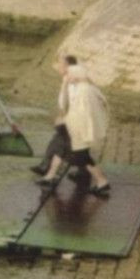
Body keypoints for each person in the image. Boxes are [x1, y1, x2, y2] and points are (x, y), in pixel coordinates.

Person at [38, 61, 111, 197]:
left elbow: (81, 113)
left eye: (69, 74)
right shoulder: (81, 87)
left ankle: (102, 181)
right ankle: (50, 176)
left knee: (82, 156)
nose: (67, 75)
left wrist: (64, 121)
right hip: (75, 128)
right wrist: (65, 84)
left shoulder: (84, 91)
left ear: (77, 76)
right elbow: (65, 103)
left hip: (78, 130)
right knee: (64, 148)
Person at [33, 55, 80, 178]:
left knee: (60, 141)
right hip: (72, 118)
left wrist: (63, 117)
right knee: (62, 141)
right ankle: (82, 172)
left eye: (60, 64)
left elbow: (73, 102)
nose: (58, 67)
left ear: (68, 67)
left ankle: (47, 168)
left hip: (75, 120)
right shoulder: (68, 79)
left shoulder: (72, 81)